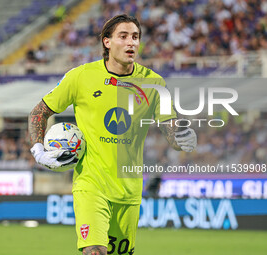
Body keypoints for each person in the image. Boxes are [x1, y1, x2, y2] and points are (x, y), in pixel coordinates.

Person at [29, 14, 197, 255]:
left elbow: (169, 128)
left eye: (136, 37)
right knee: (95, 250)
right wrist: (38, 151)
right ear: (107, 42)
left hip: (129, 190)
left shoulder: (154, 83)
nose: (131, 43)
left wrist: (181, 138)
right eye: (124, 36)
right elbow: (39, 112)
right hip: (91, 185)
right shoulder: (81, 76)